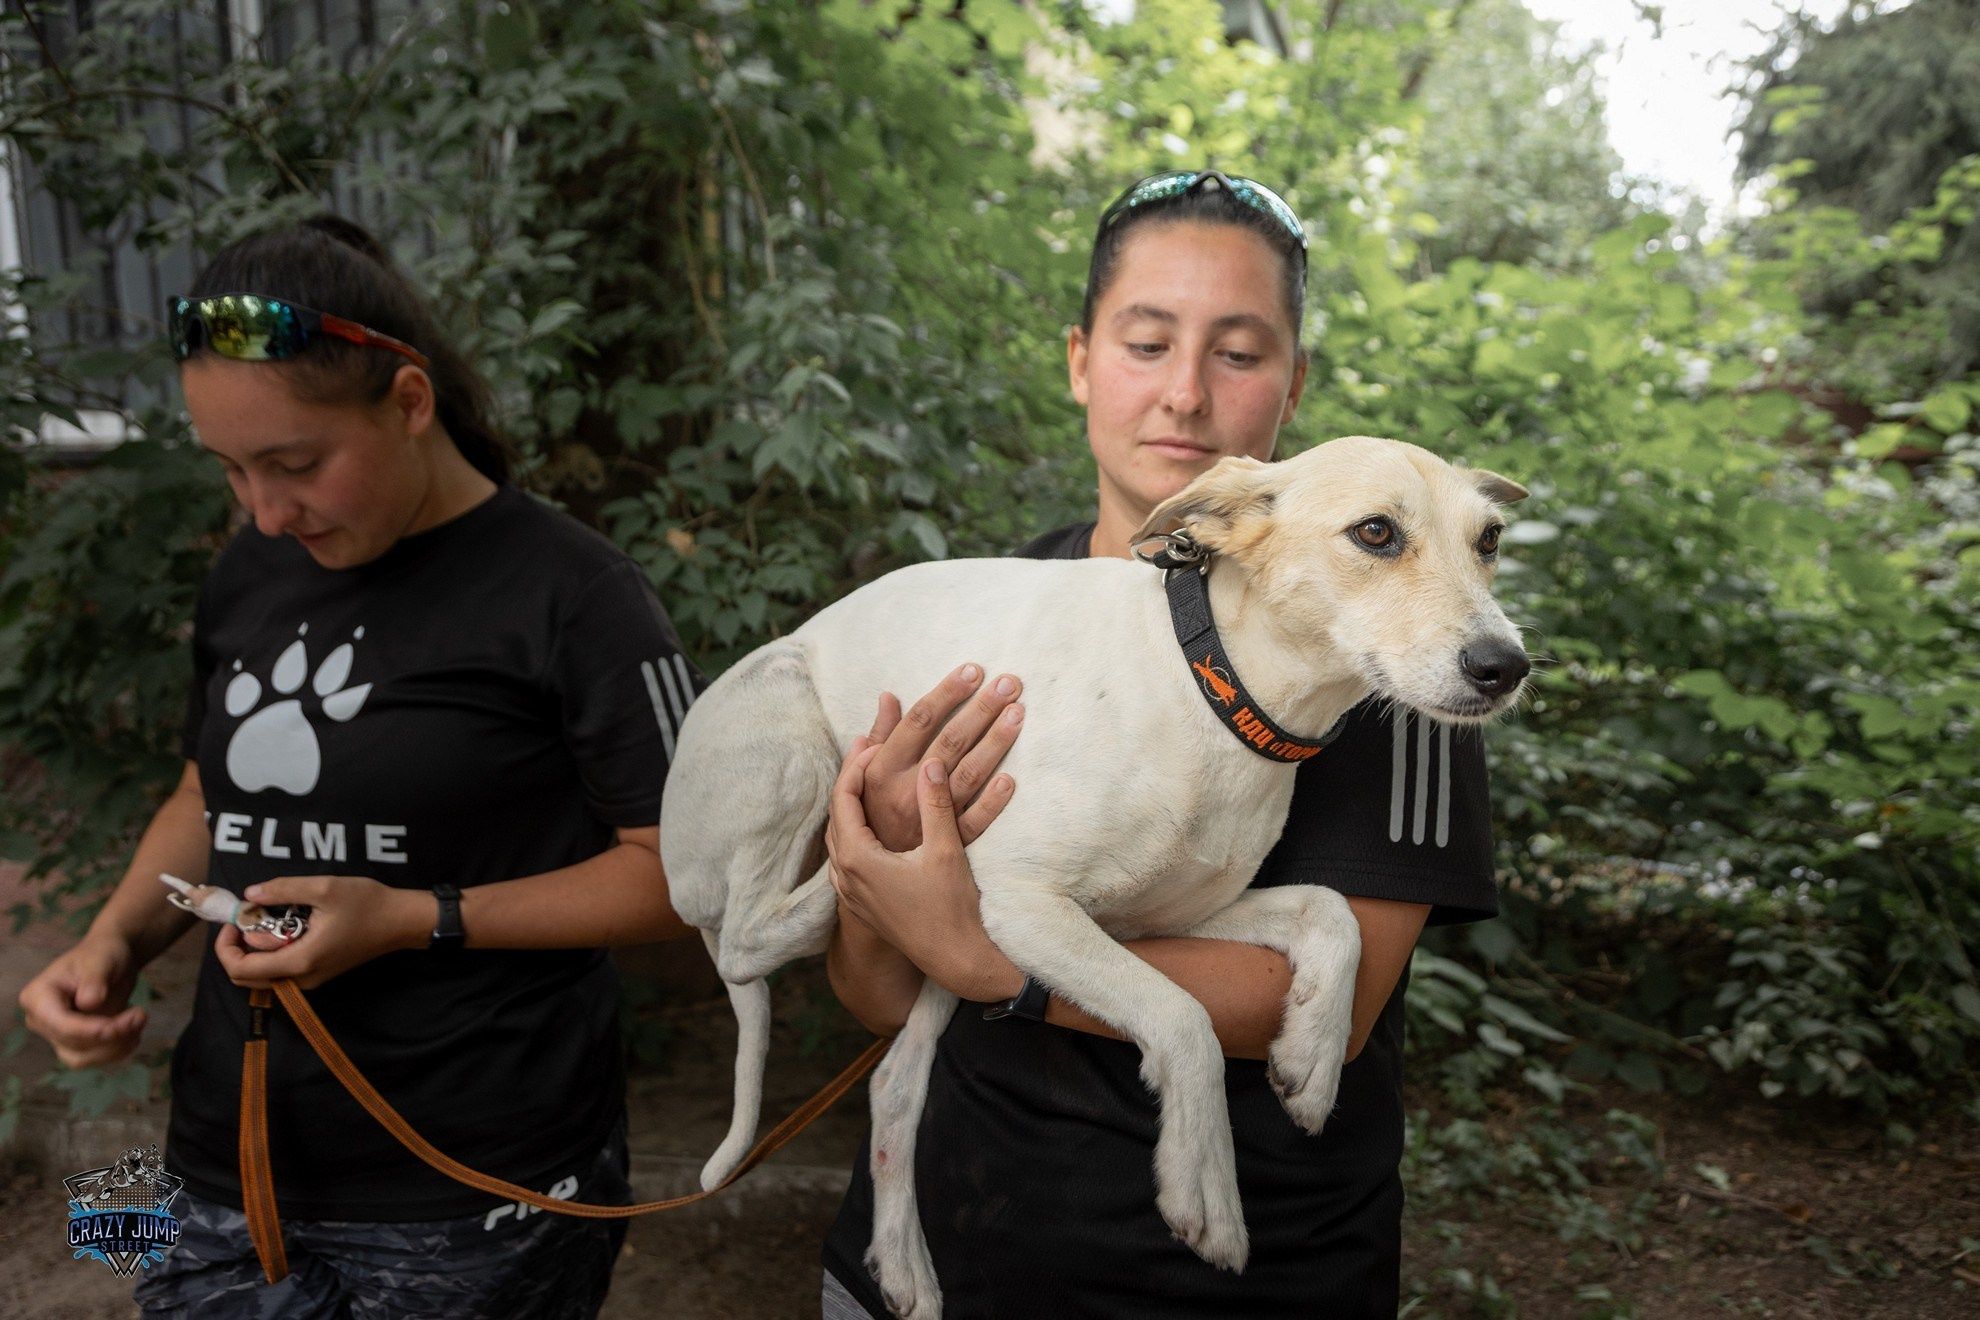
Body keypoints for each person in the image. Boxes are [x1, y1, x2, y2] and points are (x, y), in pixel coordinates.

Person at [818, 170, 1503, 1317]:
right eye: (1146, 343)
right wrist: (879, 879)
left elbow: (1322, 1002)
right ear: (1082, 361)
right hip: (934, 1252)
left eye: (1238, 353)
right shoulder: (992, 610)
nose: (1185, 394)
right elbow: (878, 989)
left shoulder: (1397, 658)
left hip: (1225, 1286)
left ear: (1294, 388)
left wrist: (990, 957)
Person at [16, 215, 700, 1319]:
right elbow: (207, 795)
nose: (266, 513)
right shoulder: (252, 571)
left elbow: (683, 874)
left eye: (295, 465)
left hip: (477, 1186)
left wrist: (412, 917)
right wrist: (113, 939)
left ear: (410, 402)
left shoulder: (577, 594)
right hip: (220, 1159)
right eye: (233, 472)